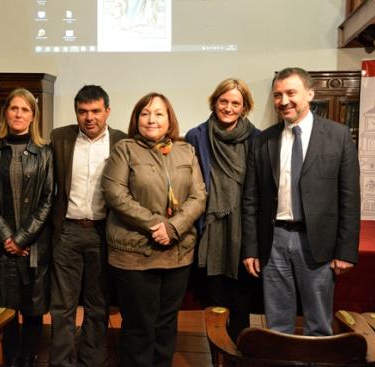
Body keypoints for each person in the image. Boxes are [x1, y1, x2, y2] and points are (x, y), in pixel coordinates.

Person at [242, 67, 360, 336]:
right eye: (277, 95)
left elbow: (350, 199)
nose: (284, 101)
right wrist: (250, 248)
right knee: (277, 324)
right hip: (273, 242)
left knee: (318, 323)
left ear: (310, 93)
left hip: (317, 243)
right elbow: (250, 200)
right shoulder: (263, 141)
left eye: (291, 93)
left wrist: (345, 251)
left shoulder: (339, 136)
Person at [102, 92, 206, 367]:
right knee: (139, 327)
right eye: (145, 113)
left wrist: (173, 228)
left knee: (166, 325)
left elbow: (199, 197)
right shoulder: (124, 149)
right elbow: (115, 193)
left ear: (169, 119)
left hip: (177, 254)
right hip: (134, 254)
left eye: (159, 113)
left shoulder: (186, 151)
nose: (152, 119)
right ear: (136, 118)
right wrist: (154, 225)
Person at [48, 85, 126, 367]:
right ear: (76, 113)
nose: (89, 117)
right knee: (62, 307)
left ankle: (91, 362)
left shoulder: (122, 142)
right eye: (83, 111)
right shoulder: (60, 139)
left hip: (103, 233)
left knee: (97, 306)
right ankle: (61, 363)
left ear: (107, 111)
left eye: (95, 111)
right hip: (67, 232)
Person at [0, 88, 53, 367]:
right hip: (0, 247)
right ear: (5, 113)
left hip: (33, 246)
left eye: (25, 110)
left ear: (33, 116)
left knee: (32, 309)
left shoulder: (45, 153)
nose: (19, 114)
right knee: (4, 310)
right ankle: (8, 358)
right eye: (14, 108)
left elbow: (48, 200)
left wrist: (22, 238)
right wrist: (8, 238)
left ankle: (28, 358)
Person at [185, 78, 260, 340]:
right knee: (213, 303)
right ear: (214, 102)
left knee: (241, 302)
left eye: (235, 103)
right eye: (223, 101)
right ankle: (216, 354)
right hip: (210, 232)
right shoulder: (196, 136)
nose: (228, 107)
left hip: (243, 232)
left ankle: (239, 354)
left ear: (245, 107)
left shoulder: (257, 139)